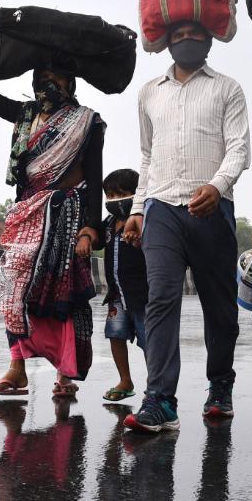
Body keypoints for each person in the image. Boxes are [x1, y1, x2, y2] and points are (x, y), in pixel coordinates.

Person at [121, 20, 252, 433]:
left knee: (219, 306)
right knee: (160, 298)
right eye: (177, 36)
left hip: (212, 207)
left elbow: (239, 147)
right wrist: (138, 209)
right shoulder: (149, 93)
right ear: (166, 42)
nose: (185, 42)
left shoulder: (227, 88)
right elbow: (146, 155)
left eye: (193, 35)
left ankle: (220, 384)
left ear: (209, 38)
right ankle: (160, 399)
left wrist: (218, 185)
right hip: (162, 209)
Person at [0, 15, 106, 399]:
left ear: (70, 84)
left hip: (66, 218)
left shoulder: (88, 122)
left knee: (59, 293)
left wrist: (89, 228)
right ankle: (17, 369)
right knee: (12, 286)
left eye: (53, 77)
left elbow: (94, 178)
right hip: (26, 213)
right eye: (39, 77)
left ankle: (65, 375)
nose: (45, 83)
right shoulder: (24, 115)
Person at [100, 169, 149, 402]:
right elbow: (93, 236)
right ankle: (125, 380)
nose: (113, 200)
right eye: (109, 195)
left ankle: (155, 385)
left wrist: (140, 241)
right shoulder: (108, 224)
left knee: (150, 341)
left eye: (119, 194)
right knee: (116, 335)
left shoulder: (145, 220)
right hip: (116, 294)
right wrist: (85, 236)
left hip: (143, 295)